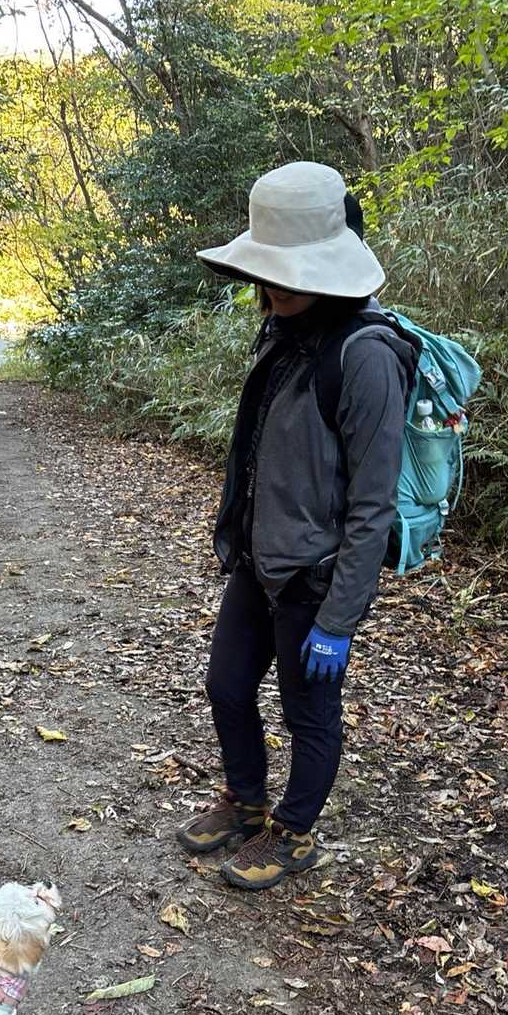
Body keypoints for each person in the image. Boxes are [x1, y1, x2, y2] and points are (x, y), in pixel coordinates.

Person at [176, 161, 417, 891]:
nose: (273, 285)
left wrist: (339, 620)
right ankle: (247, 802)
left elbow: (373, 506)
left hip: (315, 576)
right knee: (226, 685)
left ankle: (294, 833)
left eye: (288, 271)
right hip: (261, 560)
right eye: (269, 270)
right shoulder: (284, 330)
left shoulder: (366, 357)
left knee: (308, 713)